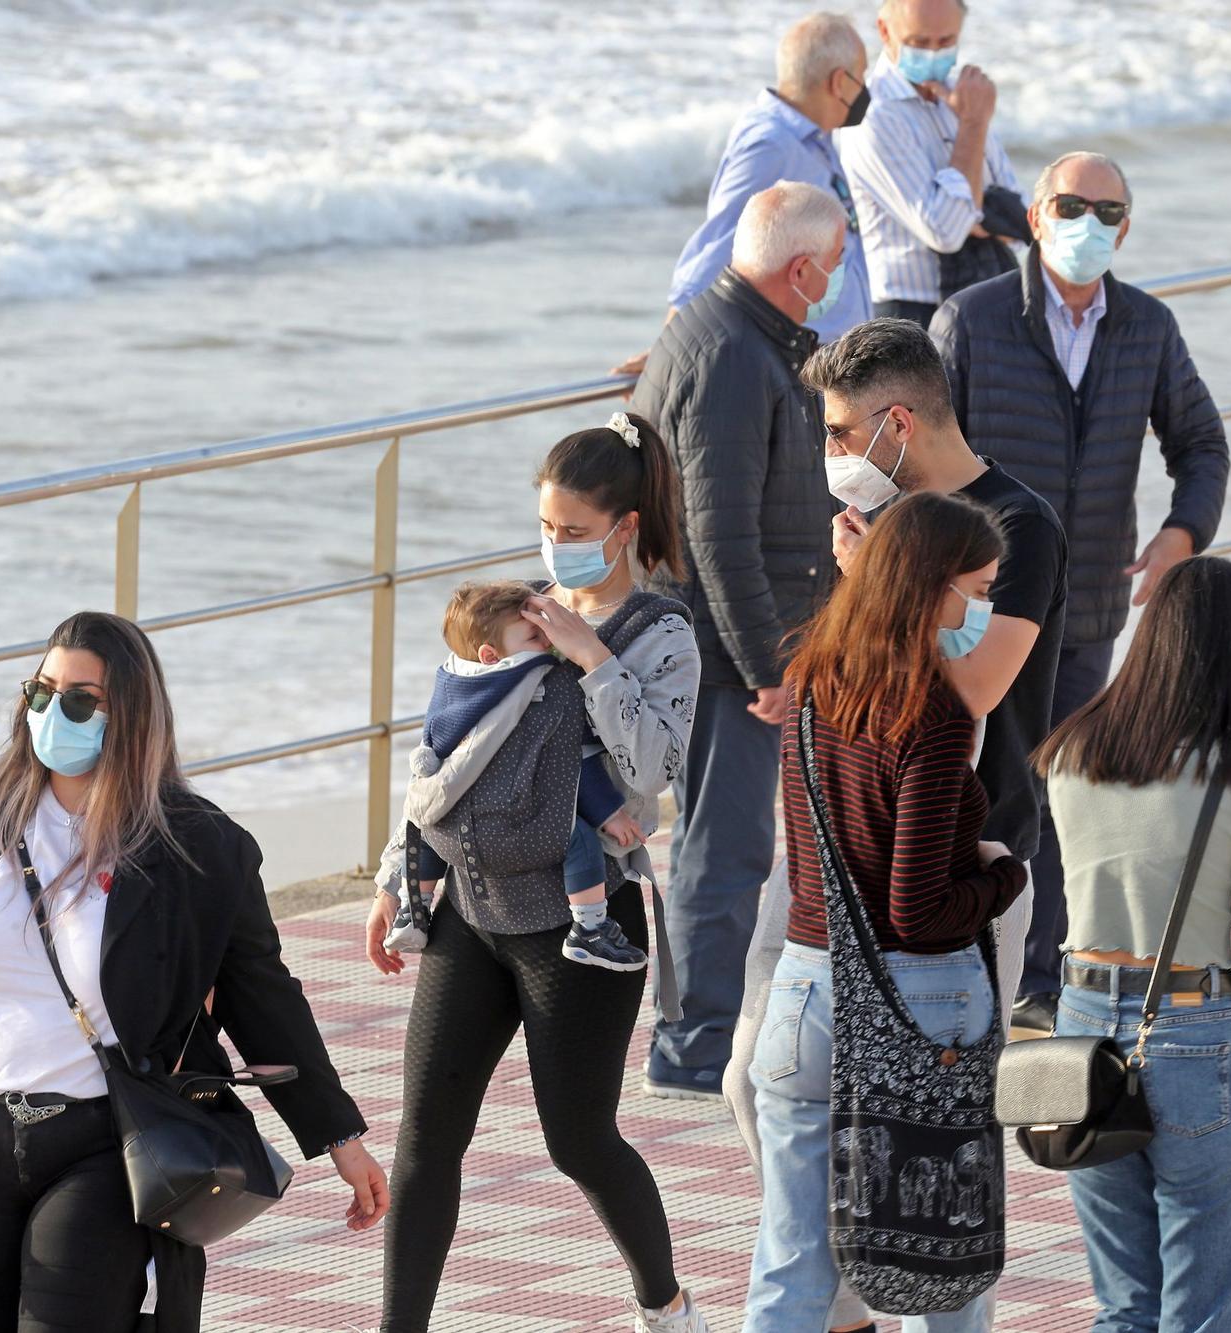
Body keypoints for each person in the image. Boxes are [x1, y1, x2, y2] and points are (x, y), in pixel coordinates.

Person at [0, 611, 386, 1332]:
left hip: (103, 1147)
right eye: (42, 692)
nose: (54, 712)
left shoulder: (198, 848)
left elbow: (262, 995)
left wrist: (340, 1138)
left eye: (81, 699)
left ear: (131, 714)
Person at [366, 419, 711, 1333]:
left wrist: (591, 657)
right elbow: (444, 746)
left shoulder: (662, 630)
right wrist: (397, 875)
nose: (555, 547)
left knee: (579, 1141)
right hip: (472, 914)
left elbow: (648, 773)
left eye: (572, 528)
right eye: (547, 527)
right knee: (424, 1141)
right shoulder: (509, 612)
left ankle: (665, 1303)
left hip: (583, 921)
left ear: (626, 525)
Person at [931, 150, 1231, 1033]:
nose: (1089, 223)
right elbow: (925, 469)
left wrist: (1183, 533)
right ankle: (959, 960)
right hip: (981, 609)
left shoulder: (1147, 326)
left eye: (1109, 211)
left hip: (1090, 604)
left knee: (1067, 791)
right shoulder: (971, 321)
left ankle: (1043, 974)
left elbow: (1201, 444)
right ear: (1035, 214)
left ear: (1127, 227)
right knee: (977, 786)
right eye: (1071, 204)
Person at [746, 490, 1028, 1332]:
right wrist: (1002, 881)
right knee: (942, 1259)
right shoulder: (934, 716)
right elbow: (917, 909)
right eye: (976, 588)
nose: (982, 608)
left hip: (804, 990)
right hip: (921, 1007)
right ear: (930, 586)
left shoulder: (808, 685)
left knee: (792, 1258)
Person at [1037, 556, 1231, 1332]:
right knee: (1202, 1312)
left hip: (1082, 1031)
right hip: (1194, 1032)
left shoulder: (1070, 754)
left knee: (1124, 1303)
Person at [629, 181, 840, 1099]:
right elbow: (718, 532)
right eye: (833, 266)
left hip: (735, 643)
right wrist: (766, 666)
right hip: (725, 658)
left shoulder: (746, 338)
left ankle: (703, 1036)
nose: (837, 279)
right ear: (801, 268)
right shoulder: (729, 356)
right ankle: (693, 1049)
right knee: (725, 851)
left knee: (733, 846)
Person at [810, 317, 1066, 1025]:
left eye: (839, 433)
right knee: (775, 1077)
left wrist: (875, 586)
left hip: (970, 853)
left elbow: (979, 686)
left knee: (947, 1100)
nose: (831, 453)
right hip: (869, 836)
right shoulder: (881, 520)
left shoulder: (1021, 526)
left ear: (897, 422)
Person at [383, 573, 649, 970]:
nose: (547, 645)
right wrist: (610, 812)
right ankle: (590, 928)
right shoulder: (547, 689)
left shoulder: (453, 685)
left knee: (431, 826)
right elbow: (573, 762)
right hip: (522, 831)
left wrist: (387, 884)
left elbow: (430, 765)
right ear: (492, 655)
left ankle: (412, 909)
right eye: (534, 638)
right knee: (580, 840)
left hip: (456, 836)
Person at [668, 13, 872, 343]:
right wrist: (673, 347)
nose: (865, 89)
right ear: (839, 82)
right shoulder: (771, 145)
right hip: (802, 359)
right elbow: (717, 246)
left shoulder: (816, 138)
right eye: (861, 77)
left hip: (835, 353)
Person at [839, 0, 1021, 328]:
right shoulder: (874, 117)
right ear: (885, 30)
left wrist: (975, 211)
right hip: (910, 315)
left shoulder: (960, 96)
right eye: (920, 42)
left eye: (946, 41)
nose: (934, 53)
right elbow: (946, 230)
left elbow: (1017, 216)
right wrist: (973, 127)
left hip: (981, 299)